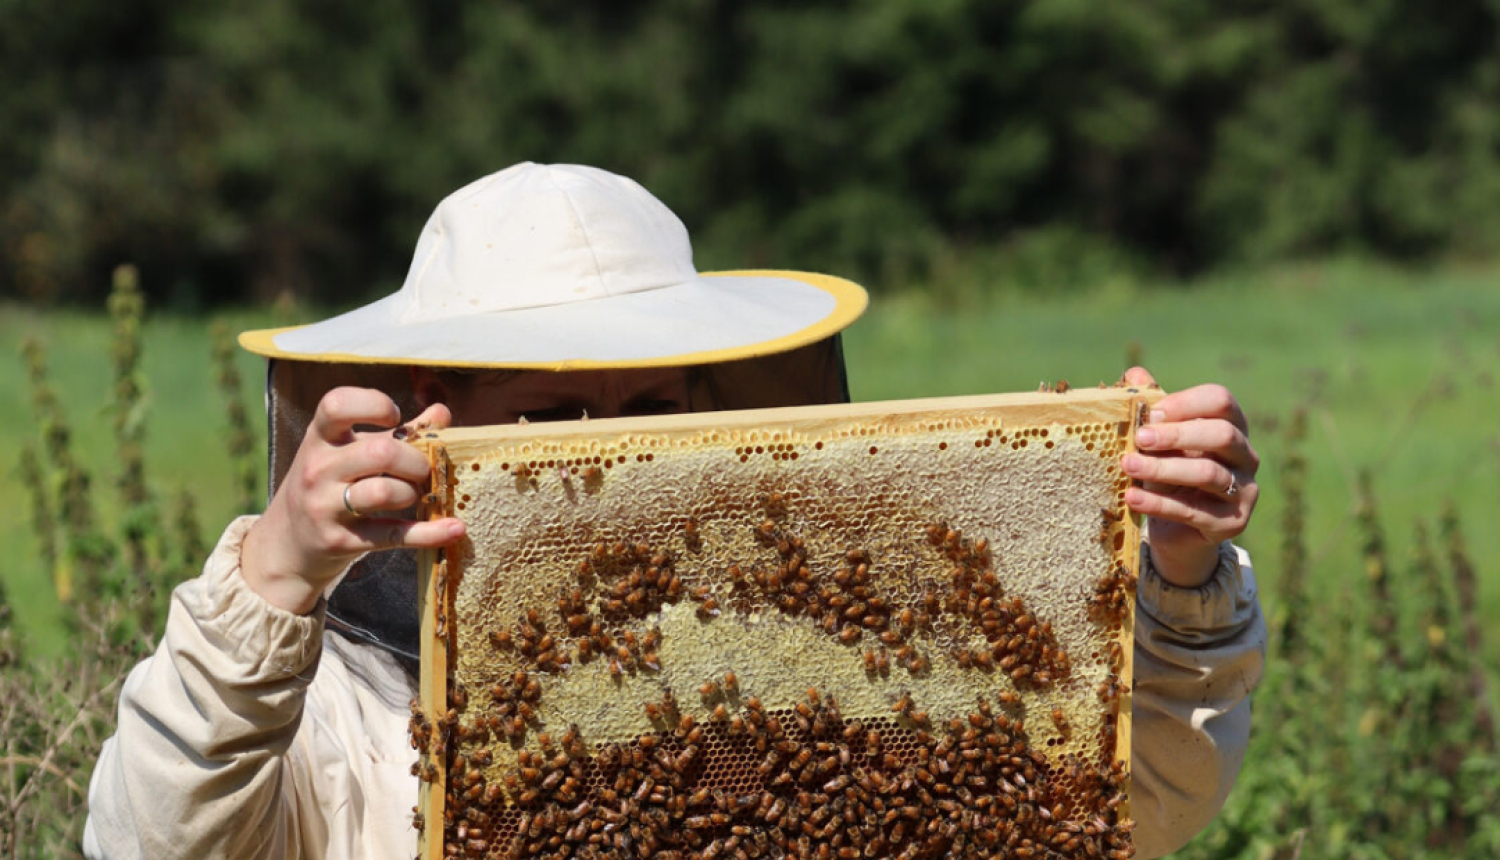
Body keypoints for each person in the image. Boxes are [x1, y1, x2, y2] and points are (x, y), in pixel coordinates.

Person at [83, 163, 1266, 860]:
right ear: (429, 418)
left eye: (646, 404)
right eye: (551, 418)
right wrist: (277, 574)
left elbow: (1126, 803)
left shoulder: (800, 664)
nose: (606, 453)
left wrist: (1176, 575)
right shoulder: (331, 718)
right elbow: (150, 840)